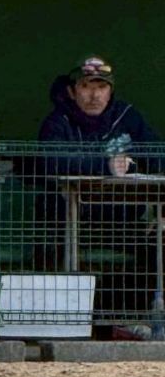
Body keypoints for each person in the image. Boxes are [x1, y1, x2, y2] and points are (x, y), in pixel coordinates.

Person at [38, 55, 161, 316]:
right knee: (48, 247)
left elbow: (158, 156)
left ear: (110, 91)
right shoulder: (58, 121)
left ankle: (133, 317)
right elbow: (52, 161)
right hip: (69, 223)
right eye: (86, 87)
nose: (94, 95)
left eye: (101, 87)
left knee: (156, 245)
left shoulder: (127, 116)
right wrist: (105, 165)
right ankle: (63, 319)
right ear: (72, 91)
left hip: (120, 223)